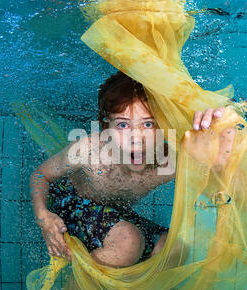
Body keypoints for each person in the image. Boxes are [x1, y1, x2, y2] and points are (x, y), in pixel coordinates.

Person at [29, 70, 234, 268]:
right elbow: (41, 174)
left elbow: (213, 186)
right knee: (128, 241)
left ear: (164, 126)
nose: (136, 139)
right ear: (105, 127)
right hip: (71, 204)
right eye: (123, 125)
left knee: (174, 249)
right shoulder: (89, 150)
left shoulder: (170, 160)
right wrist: (42, 216)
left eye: (148, 125)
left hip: (116, 214)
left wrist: (219, 155)